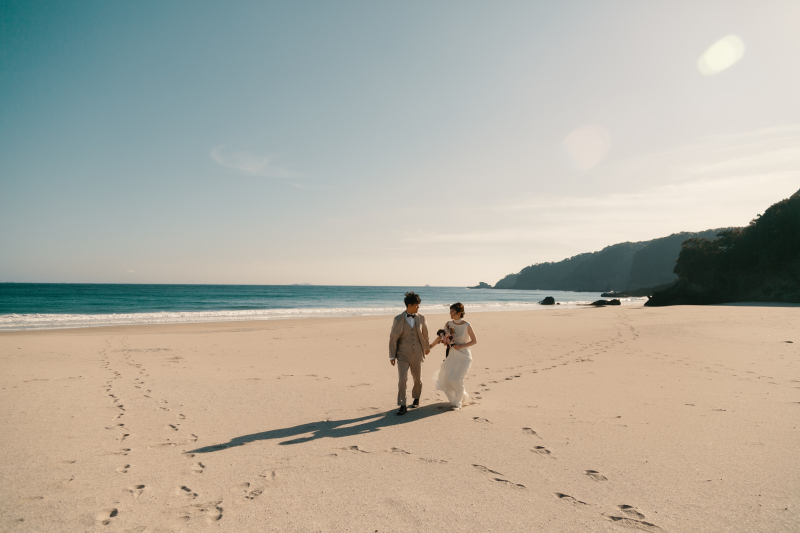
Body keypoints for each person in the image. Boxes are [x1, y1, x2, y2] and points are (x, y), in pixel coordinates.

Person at [388, 291, 431, 416]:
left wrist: (426, 348)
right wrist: (392, 355)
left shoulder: (421, 317)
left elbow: (425, 334)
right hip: (402, 354)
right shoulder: (398, 319)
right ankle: (402, 404)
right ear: (410, 305)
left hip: (417, 353)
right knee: (402, 378)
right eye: (417, 305)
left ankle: (416, 398)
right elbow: (393, 338)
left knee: (417, 378)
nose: (418, 307)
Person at [431, 303, 477, 409]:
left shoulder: (467, 325)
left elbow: (474, 341)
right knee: (448, 379)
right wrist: (430, 347)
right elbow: (442, 337)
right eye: (450, 311)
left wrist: (461, 346)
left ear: (459, 312)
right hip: (453, 355)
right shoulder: (448, 324)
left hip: (465, 356)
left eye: (452, 311)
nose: (450, 313)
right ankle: (462, 396)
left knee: (457, 379)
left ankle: (458, 403)